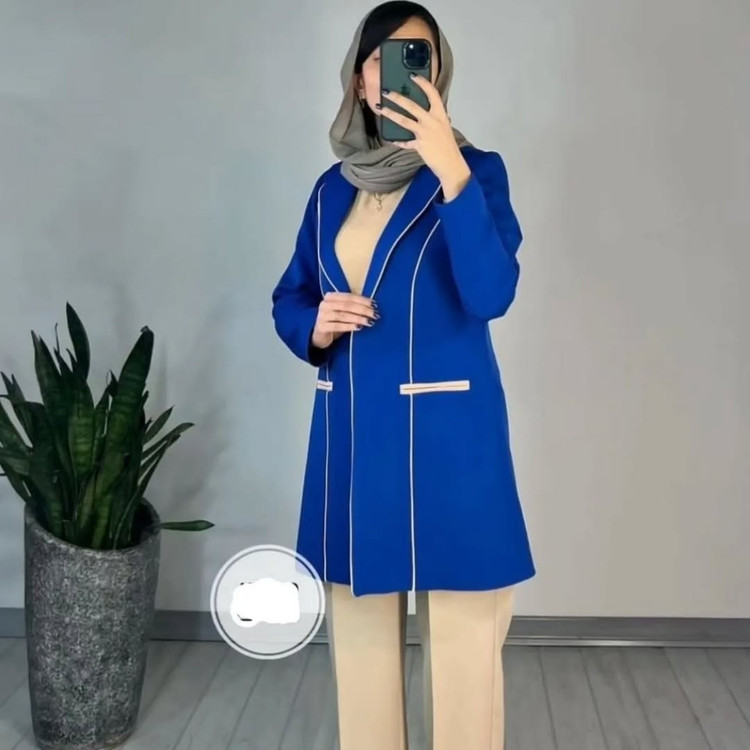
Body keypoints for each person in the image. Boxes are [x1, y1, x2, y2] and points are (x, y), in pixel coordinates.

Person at [271, 2, 536, 748]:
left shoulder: (477, 173)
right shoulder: (331, 190)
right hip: (356, 438)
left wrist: (451, 169)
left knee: (465, 647)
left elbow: (491, 294)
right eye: (384, 58)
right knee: (359, 646)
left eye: (421, 57)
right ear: (359, 79)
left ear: (438, 75)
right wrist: (314, 323)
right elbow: (291, 296)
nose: (401, 74)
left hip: (450, 441)